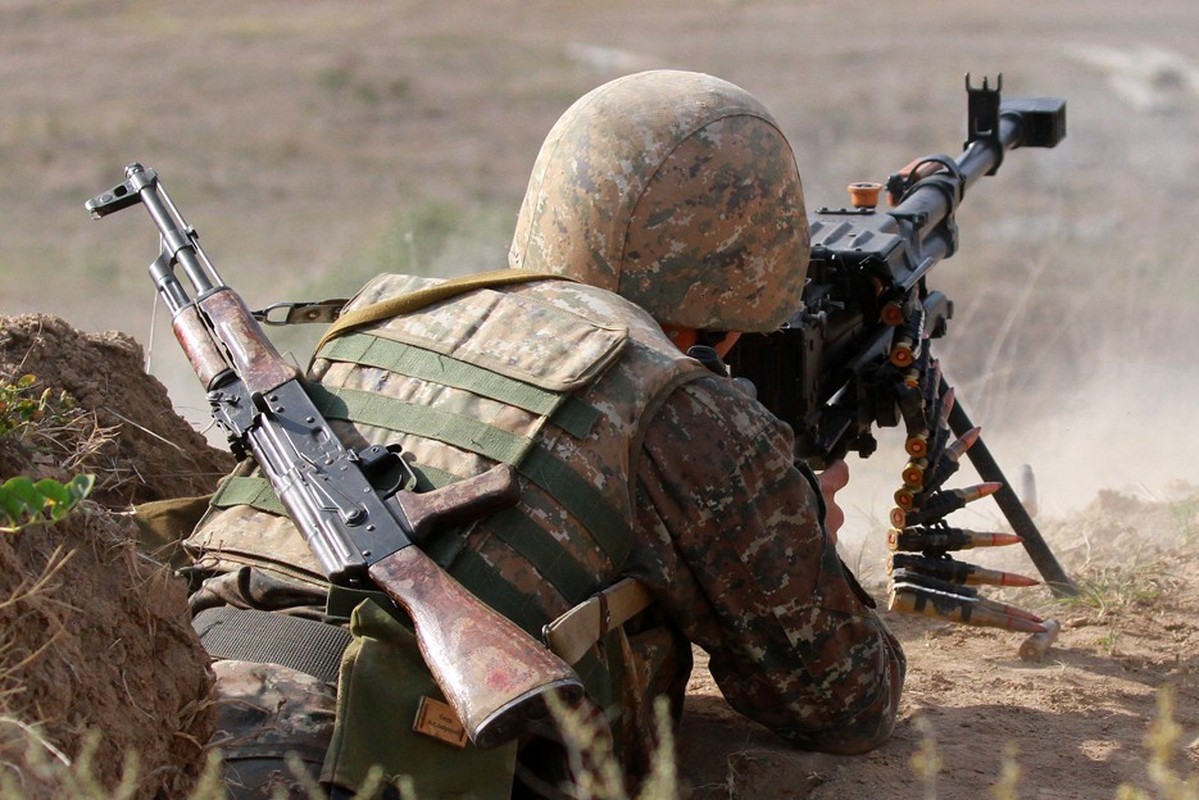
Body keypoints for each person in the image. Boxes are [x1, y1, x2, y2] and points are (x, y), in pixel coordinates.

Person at [180, 69, 904, 799]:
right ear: (750, 251)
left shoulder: (379, 319)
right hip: (382, 759)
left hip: (181, 712)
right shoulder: (680, 407)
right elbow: (843, 704)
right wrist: (800, 527)